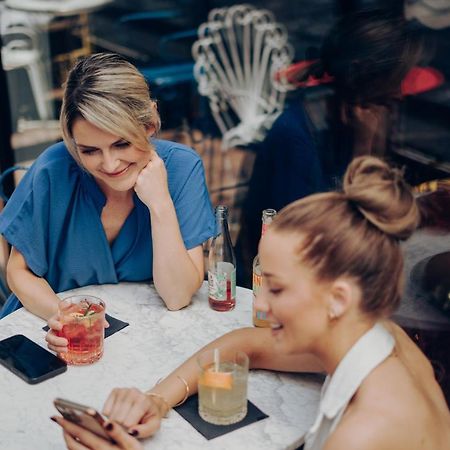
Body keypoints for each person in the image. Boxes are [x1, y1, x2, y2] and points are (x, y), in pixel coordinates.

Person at [52, 156, 450, 449]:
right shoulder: (377, 336)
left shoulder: (365, 435)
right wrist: (158, 399)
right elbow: (244, 343)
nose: (261, 306)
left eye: (276, 289)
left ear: (338, 298)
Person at [0, 53, 216, 325]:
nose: (110, 164)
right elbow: (18, 272)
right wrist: (68, 319)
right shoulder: (51, 170)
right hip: (47, 327)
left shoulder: (183, 168)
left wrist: (160, 204)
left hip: (144, 335)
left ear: (149, 124)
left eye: (121, 144)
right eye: (89, 150)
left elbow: (177, 296)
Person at [236, 8, 423, 286]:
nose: (398, 92)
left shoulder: (358, 119)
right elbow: (322, 237)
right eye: (395, 79)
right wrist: (365, 150)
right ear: (363, 75)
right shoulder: (299, 135)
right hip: (281, 282)